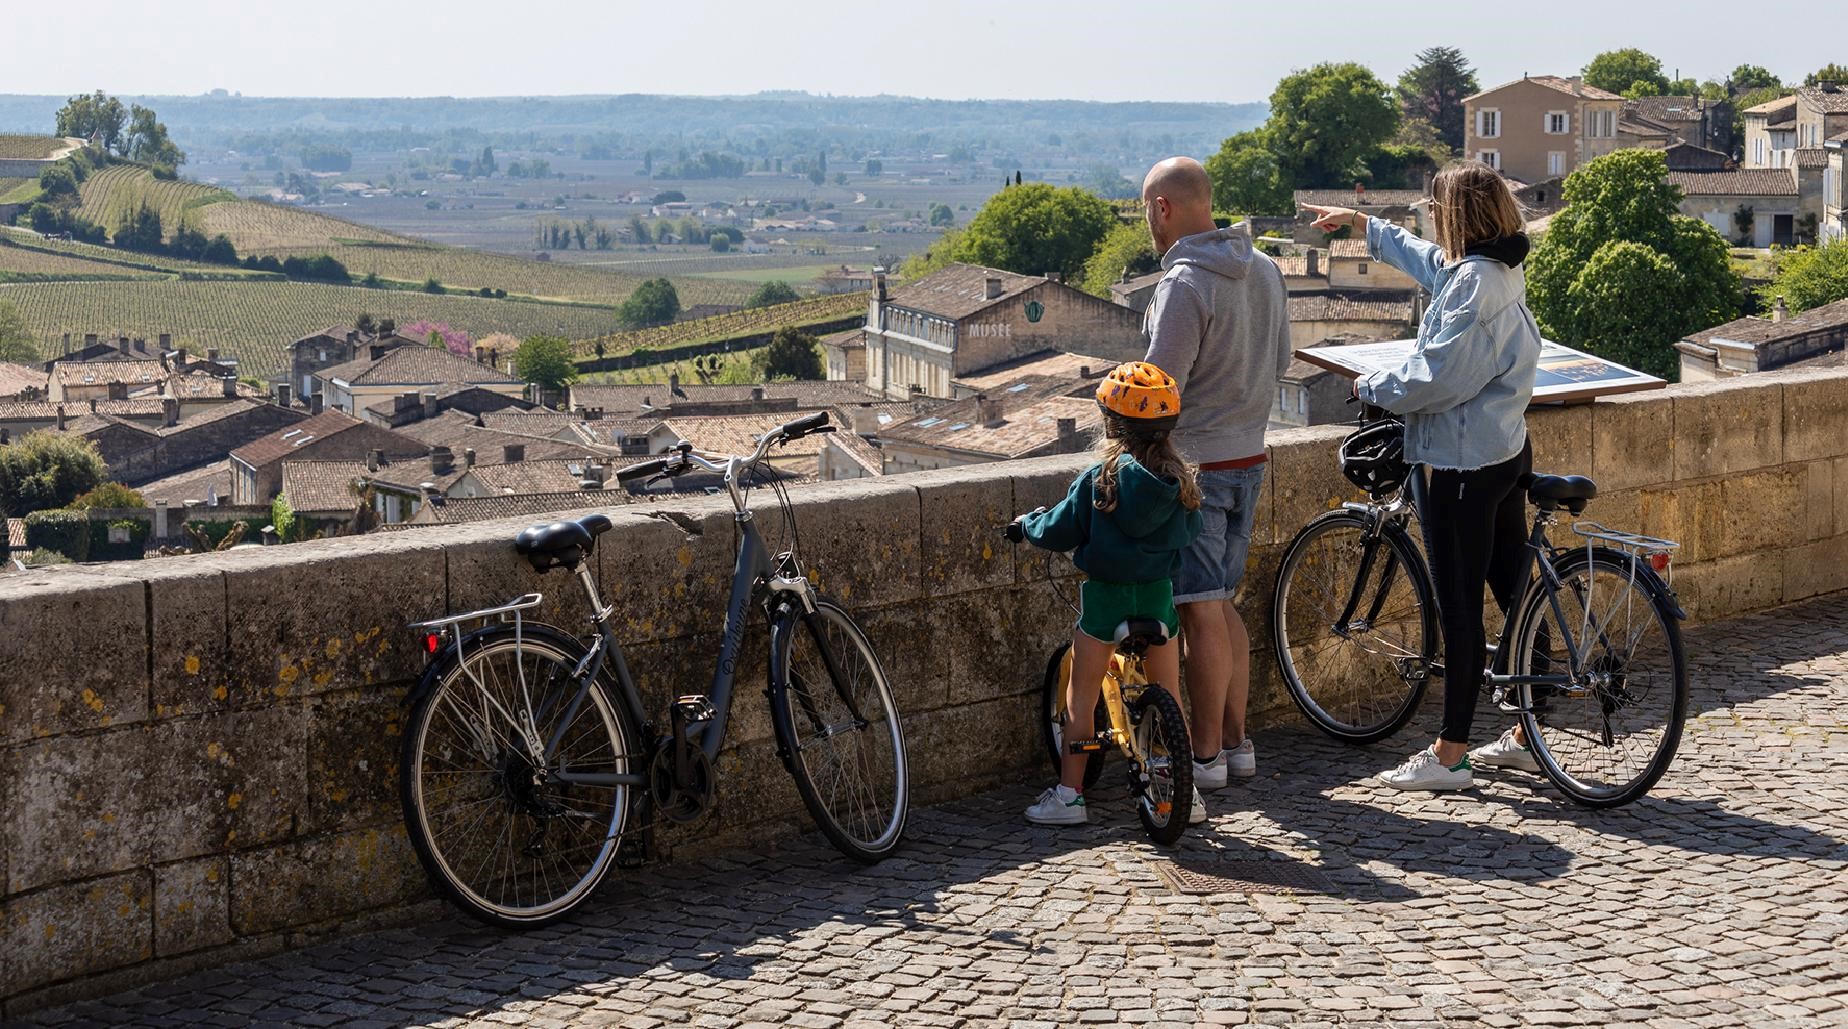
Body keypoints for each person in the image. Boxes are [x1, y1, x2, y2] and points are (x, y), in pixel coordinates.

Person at [1301, 159, 1543, 791]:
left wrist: (1370, 385)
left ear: (1457, 215)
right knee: (1515, 591)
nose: (1431, 217)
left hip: (1463, 462)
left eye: (1436, 209)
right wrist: (1364, 225)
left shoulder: (1474, 285)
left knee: (1459, 609)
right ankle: (1529, 732)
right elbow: (1431, 261)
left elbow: (1436, 377)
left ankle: (1450, 753)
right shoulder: (1496, 267)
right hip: (1504, 450)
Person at [1139, 156, 1292, 790]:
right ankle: (1236, 742)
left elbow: (1158, 388)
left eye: (1147, 211)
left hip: (1196, 467)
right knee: (1221, 602)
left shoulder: (1185, 284)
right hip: (1250, 455)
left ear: (1163, 208)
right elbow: (1281, 361)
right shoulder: (1266, 269)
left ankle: (1203, 757)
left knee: (1199, 611)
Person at [1014, 361, 1205, 826]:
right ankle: (1188, 792)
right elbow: (1192, 530)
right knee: (1169, 695)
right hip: (1157, 597)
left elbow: (1059, 528)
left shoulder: (1099, 481)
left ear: (1110, 425)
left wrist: (1028, 525)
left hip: (1106, 600)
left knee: (1080, 698)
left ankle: (1069, 797)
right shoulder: (1179, 482)